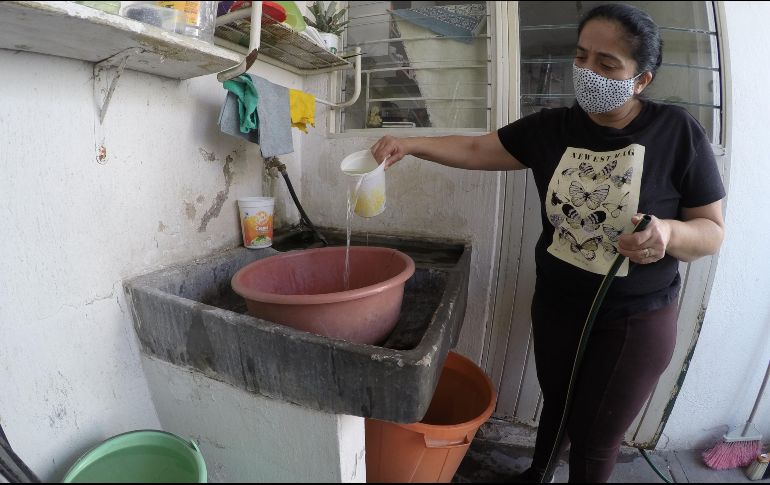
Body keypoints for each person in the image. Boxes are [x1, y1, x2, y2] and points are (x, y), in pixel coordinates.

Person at [370, 3, 725, 483]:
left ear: (640, 80)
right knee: (557, 404)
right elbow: (477, 149)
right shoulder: (551, 128)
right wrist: (411, 146)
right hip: (557, 304)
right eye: (581, 57)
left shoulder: (677, 132)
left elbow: (711, 230)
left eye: (607, 64)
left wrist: (668, 233)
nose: (587, 72)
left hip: (634, 320)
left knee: (597, 439)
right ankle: (536, 474)